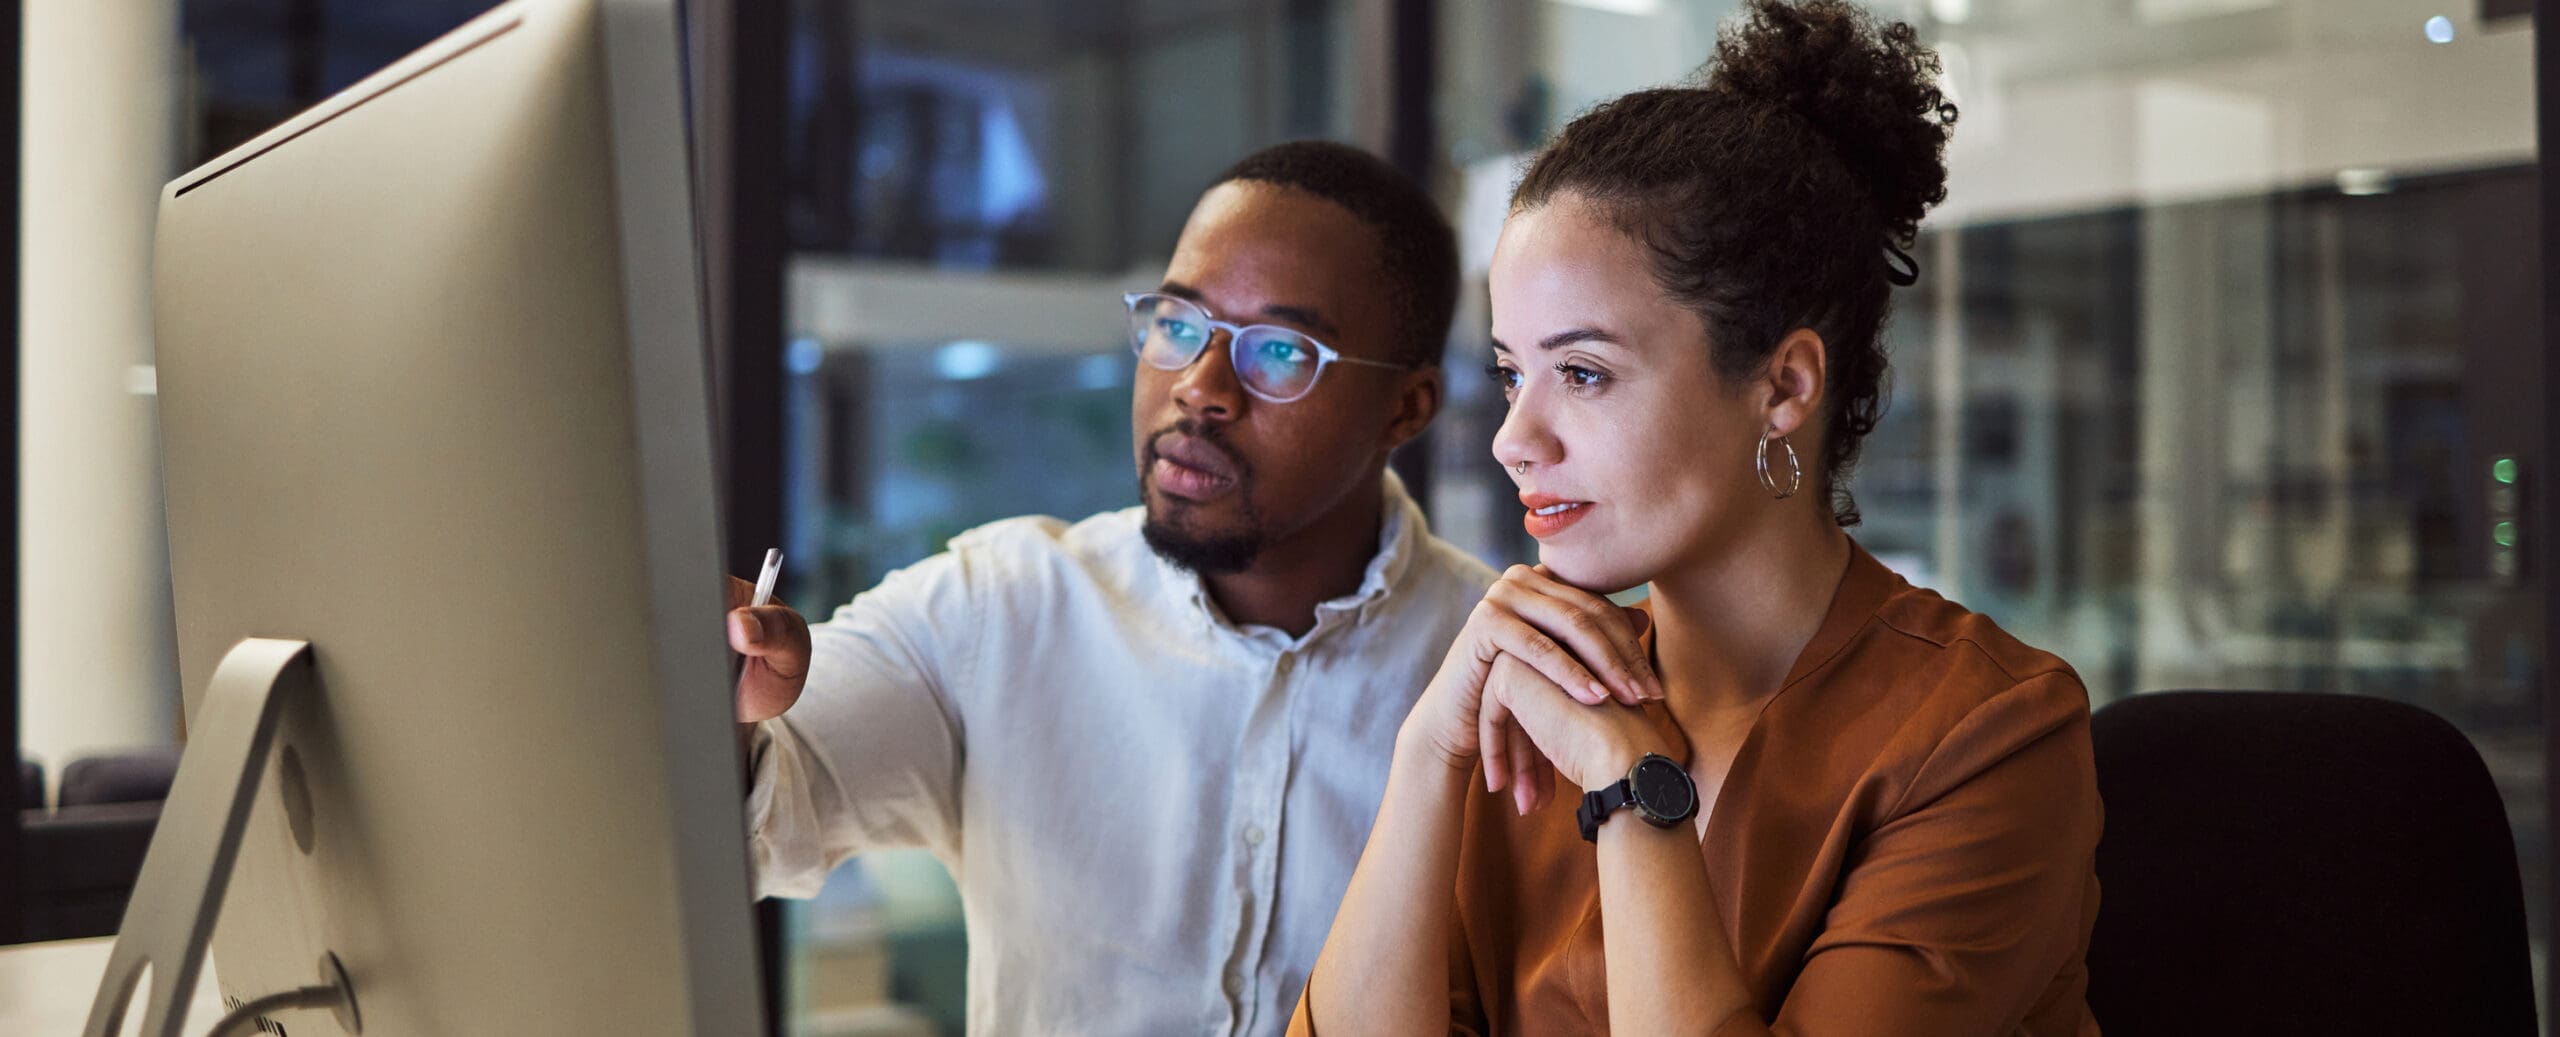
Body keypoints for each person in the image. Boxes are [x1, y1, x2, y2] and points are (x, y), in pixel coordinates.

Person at [1292, 2, 2102, 1034]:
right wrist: (1425, 754)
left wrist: (1638, 792)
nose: (1513, 438)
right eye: (1510, 376)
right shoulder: (1531, 696)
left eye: (1582, 372)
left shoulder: (1986, 732)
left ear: (1783, 385)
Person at [721, 140, 1513, 1037]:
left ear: (1406, 408)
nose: (1200, 388)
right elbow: (758, 824)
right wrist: (734, 706)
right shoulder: (1003, 607)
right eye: (1178, 322)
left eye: (1281, 351)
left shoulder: (1496, 677)